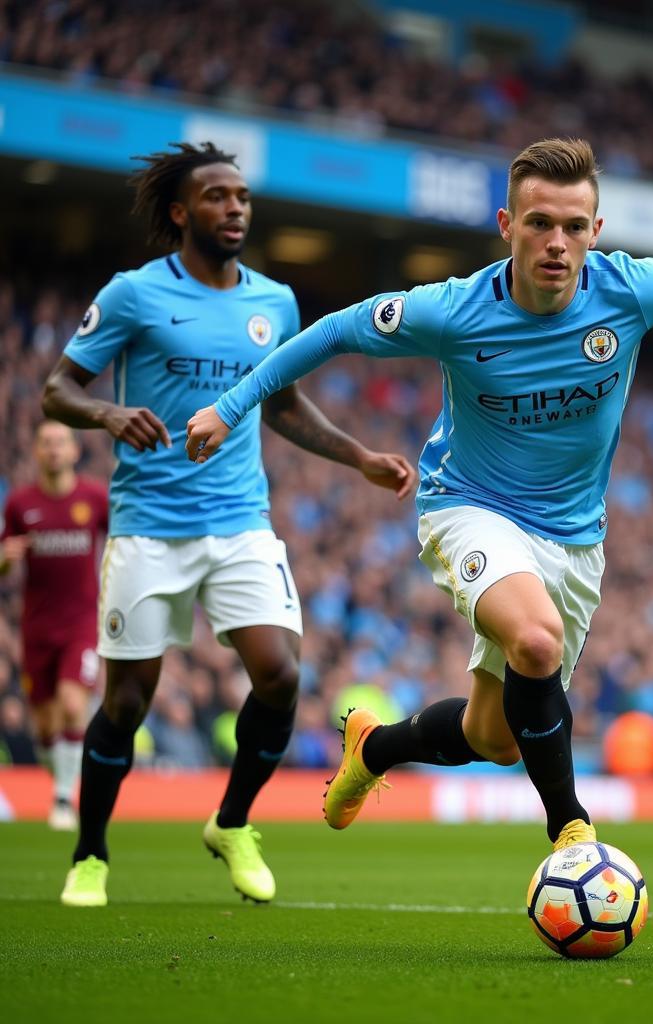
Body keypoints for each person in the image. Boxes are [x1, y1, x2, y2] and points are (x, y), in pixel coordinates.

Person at [185, 137, 653, 853]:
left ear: (596, 231)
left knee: (492, 738)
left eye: (572, 226)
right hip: (468, 507)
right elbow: (335, 333)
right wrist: (230, 406)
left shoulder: (630, 290)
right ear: (507, 226)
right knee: (535, 641)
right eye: (538, 224)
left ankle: (374, 752)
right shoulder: (454, 310)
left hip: (573, 539)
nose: (556, 243)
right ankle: (570, 826)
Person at [42, 142, 415, 908]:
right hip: (149, 525)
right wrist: (108, 411)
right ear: (181, 212)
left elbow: (280, 404)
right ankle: (90, 855)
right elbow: (57, 390)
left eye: (242, 196)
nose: (235, 208)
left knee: (280, 674)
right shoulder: (133, 296)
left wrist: (357, 456)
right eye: (217, 196)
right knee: (126, 703)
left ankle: (233, 821)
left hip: (241, 520)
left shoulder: (273, 302)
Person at [1, 421, 108, 830]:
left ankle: (63, 800)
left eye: (60, 442)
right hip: (36, 626)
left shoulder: (95, 499)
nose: (53, 450)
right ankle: (60, 775)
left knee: (71, 704)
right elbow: (4, 561)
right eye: (45, 443)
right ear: (35, 451)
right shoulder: (20, 503)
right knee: (44, 724)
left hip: (81, 622)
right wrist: (6, 559)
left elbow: (118, 545)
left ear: (74, 450)